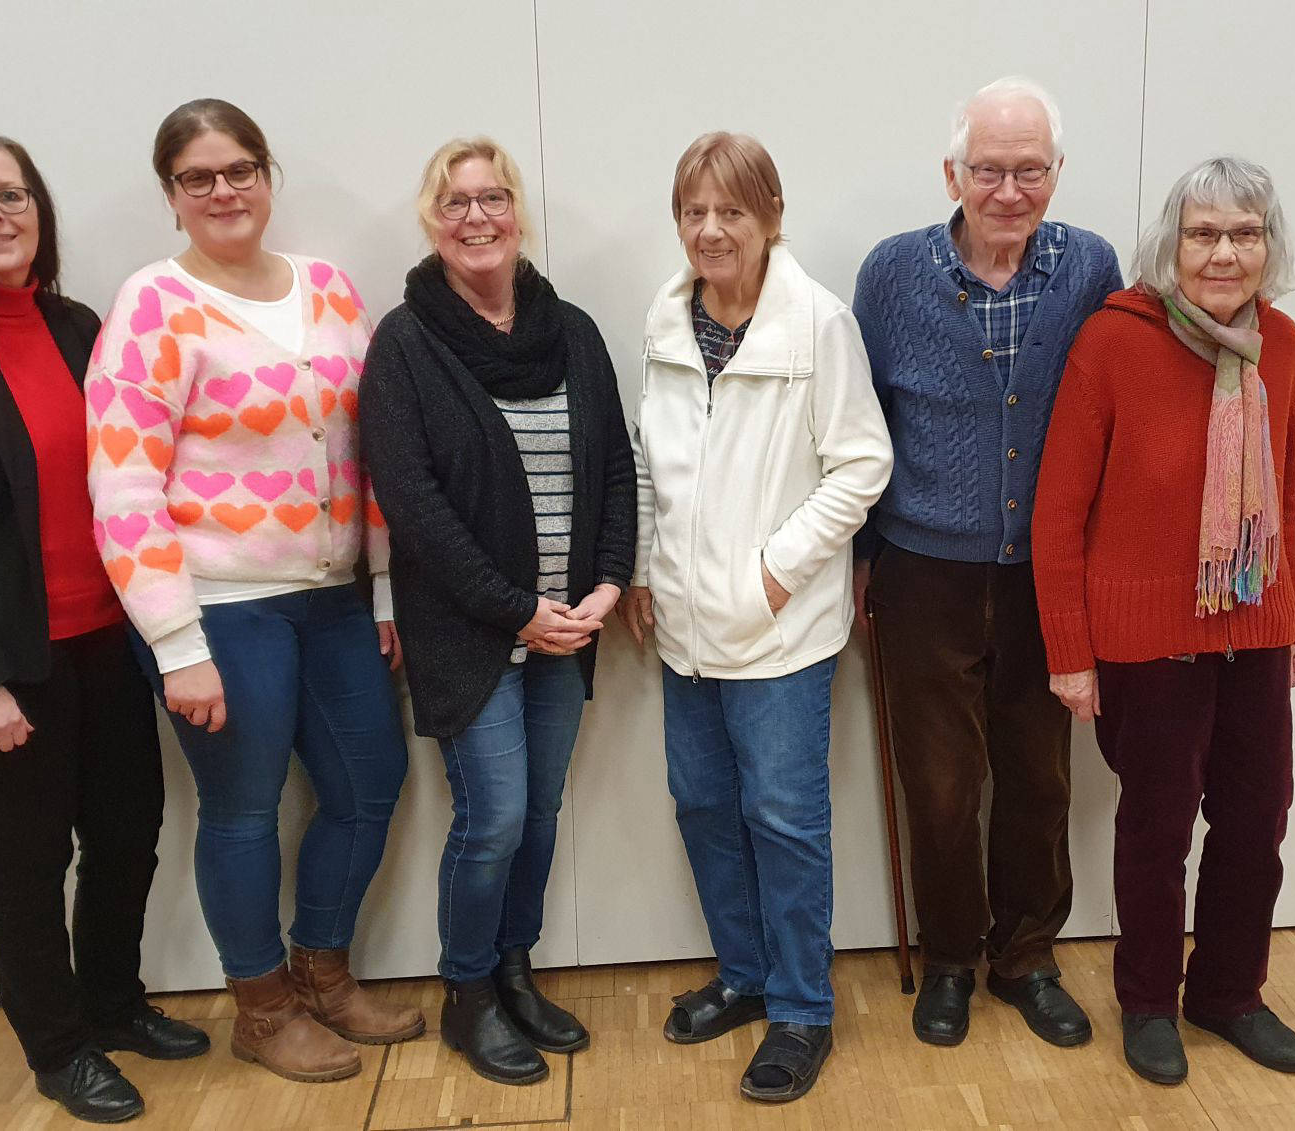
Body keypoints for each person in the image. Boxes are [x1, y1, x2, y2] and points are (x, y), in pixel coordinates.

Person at [0, 130, 209, 1124]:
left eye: (11, 194)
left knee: (128, 833)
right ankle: (59, 1049)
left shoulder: (77, 326)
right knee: (28, 857)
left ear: (37, 210)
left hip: (103, 635)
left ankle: (113, 1004)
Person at [86, 99, 419, 1085]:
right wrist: (176, 643)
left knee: (369, 785)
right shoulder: (153, 304)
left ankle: (324, 971)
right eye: (198, 177)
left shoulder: (329, 288)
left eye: (240, 170)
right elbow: (123, 487)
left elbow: (373, 449)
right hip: (220, 607)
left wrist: (385, 586)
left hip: (336, 597)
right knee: (242, 810)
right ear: (172, 195)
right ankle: (263, 1010)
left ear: (268, 177)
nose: (223, 191)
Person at [620, 132, 892, 1103]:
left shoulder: (816, 324)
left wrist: (774, 573)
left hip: (779, 632)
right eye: (693, 211)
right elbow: (647, 456)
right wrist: (645, 566)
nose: (710, 229)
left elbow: (861, 463)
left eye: (730, 210)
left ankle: (802, 1009)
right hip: (684, 625)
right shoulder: (665, 321)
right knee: (702, 805)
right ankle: (742, 976)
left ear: (770, 217)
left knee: (783, 820)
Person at [851, 76, 1121, 1049]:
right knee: (938, 783)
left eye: (1029, 170)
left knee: (1038, 776)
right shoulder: (891, 274)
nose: (1009, 190)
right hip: (922, 570)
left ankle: (1026, 956)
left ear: (1056, 172)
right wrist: (860, 559)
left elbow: (1111, 415)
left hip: (1047, 575)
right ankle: (950, 959)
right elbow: (858, 425)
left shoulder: (1090, 267)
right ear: (951, 173)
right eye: (989, 170)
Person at [360, 137, 635, 1086]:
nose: (476, 217)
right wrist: (516, 610)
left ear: (518, 212)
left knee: (540, 812)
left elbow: (614, 468)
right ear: (430, 220)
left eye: (492, 197)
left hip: (568, 628)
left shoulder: (574, 332)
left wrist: (608, 583)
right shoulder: (406, 343)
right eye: (455, 201)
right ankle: (468, 992)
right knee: (494, 818)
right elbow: (414, 506)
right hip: (470, 632)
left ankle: (515, 971)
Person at [1033, 156, 1295, 1086]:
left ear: (1267, 245)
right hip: (1145, 638)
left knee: (1256, 819)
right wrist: (1069, 651)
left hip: (1253, 623)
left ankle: (1229, 993)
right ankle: (1149, 1000)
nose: (1224, 252)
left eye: (1244, 233)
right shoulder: (1114, 340)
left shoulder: (1281, 342)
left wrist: (1292, 611)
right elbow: (1057, 510)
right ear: (1171, 244)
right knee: (1156, 827)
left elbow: (1284, 489)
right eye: (1203, 233)